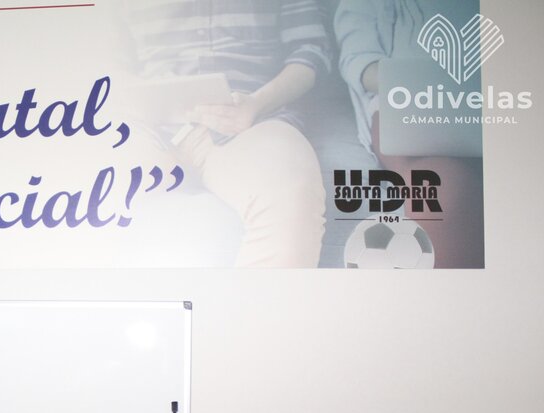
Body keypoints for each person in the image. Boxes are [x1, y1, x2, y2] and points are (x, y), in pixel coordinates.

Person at [120, 0, 332, 267]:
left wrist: (256, 103)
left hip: (253, 121)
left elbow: (310, 54)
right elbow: (98, 61)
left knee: (291, 193)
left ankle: (264, 296)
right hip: (144, 126)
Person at [335, 0, 486, 268]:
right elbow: (358, 62)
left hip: (492, 107)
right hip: (407, 108)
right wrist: (421, 89)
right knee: (443, 190)